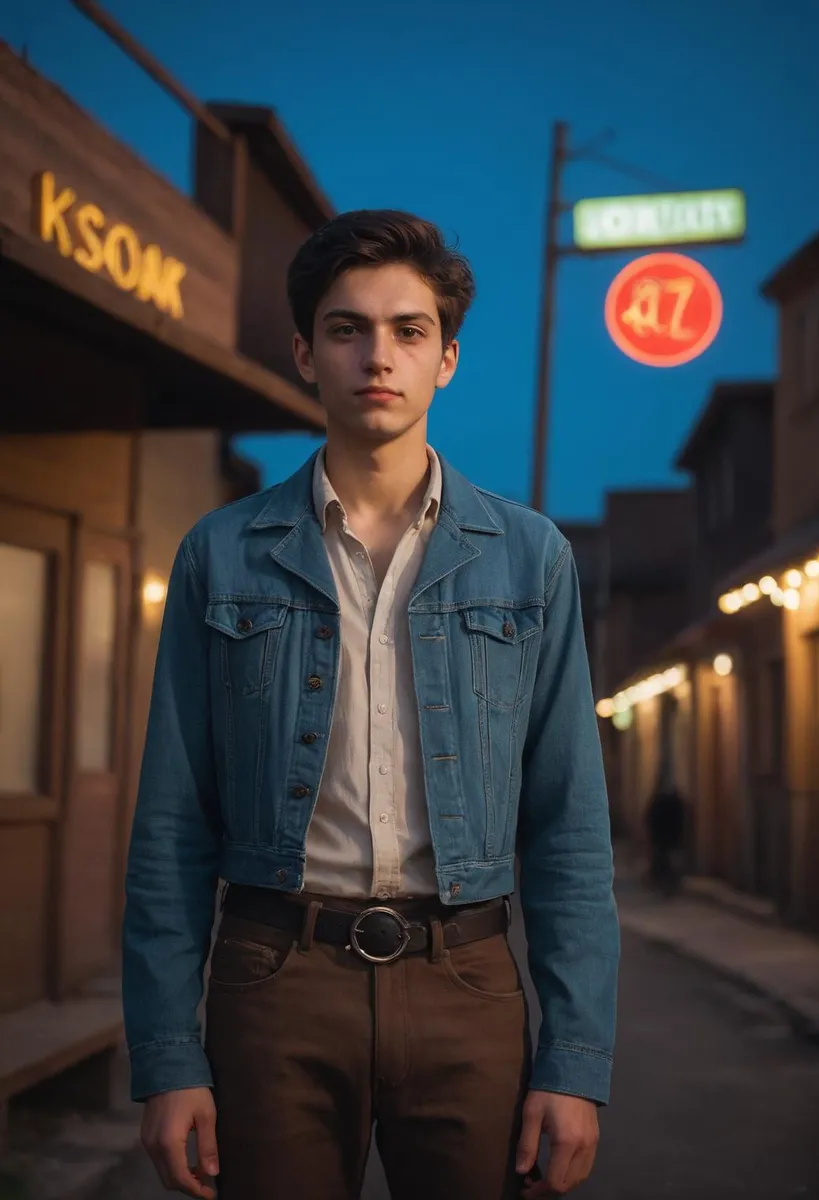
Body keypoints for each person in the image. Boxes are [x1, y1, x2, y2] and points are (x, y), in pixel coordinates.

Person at [123, 210, 620, 1200]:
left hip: (464, 982)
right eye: (347, 330)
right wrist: (167, 1058)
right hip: (274, 982)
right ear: (306, 353)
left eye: (407, 330)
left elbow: (567, 828)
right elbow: (171, 826)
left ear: (446, 358)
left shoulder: (528, 559)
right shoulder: (220, 555)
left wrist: (574, 1063)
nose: (376, 356)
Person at [644, 783, 687, 895]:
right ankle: (665, 883)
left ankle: (665, 882)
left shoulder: (658, 802)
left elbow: (650, 819)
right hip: (668, 837)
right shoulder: (673, 802)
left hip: (664, 837)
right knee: (665, 859)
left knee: (665, 859)